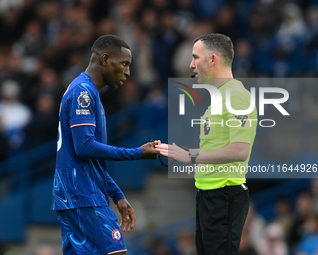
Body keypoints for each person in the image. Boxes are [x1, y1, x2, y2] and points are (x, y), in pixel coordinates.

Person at [52, 35, 159, 255]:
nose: (128, 72)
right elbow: (85, 147)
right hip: (83, 195)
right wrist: (137, 153)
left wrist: (116, 194)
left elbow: (87, 156)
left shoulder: (88, 92)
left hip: (75, 194)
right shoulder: (83, 93)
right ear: (104, 59)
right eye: (125, 64)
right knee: (116, 253)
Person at [156, 33, 258, 255]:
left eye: (195, 57)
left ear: (212, 59)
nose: (191, 65)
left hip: (225, 195)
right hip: (208, 194)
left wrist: (190, 156)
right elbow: (216, 147)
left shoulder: (237, 96)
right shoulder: (220, 97)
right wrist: (183, 153)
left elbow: (240, 150)